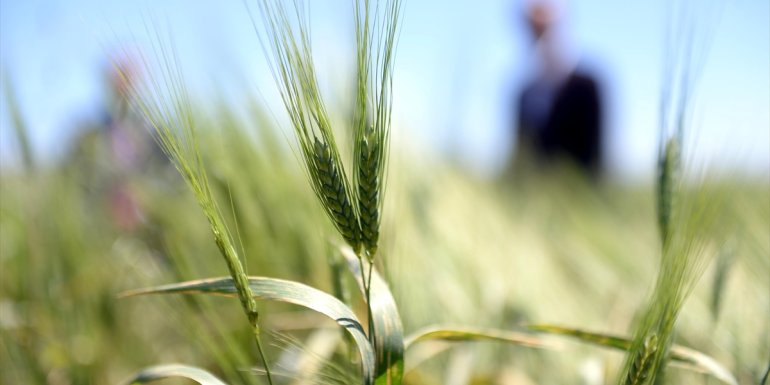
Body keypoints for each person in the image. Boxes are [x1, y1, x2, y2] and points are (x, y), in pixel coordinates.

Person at [512, 0, 603, 178]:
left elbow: (594, 160)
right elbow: (521, 159)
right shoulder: (524, 95)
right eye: (534, 28)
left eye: (546, 26)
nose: (540, 36)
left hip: (577, 196)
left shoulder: (587, 87)